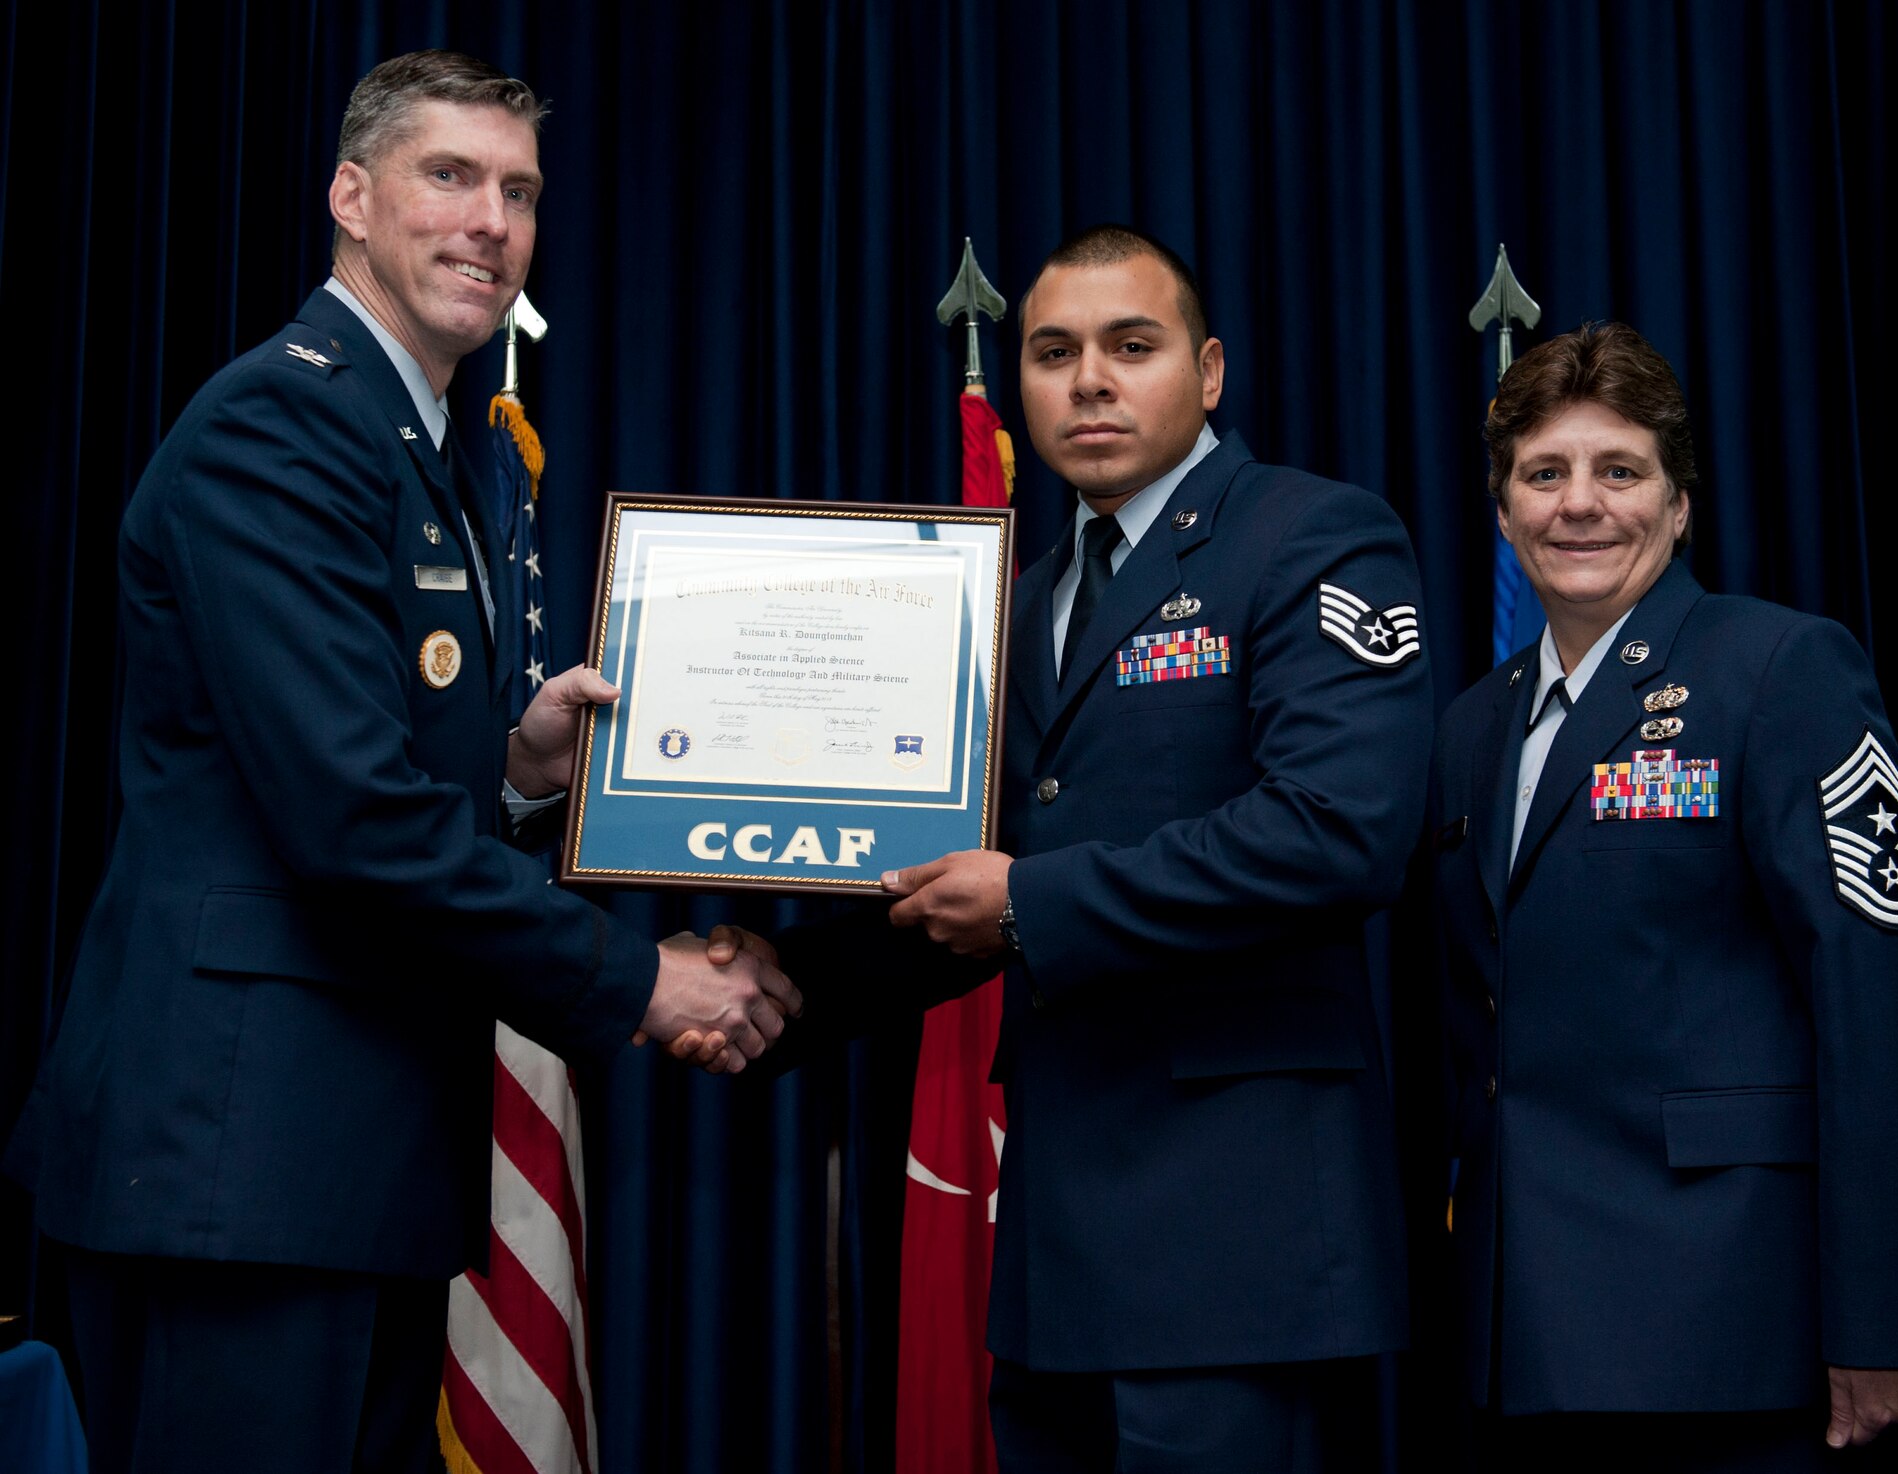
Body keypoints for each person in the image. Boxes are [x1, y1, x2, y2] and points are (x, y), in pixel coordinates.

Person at [15, 51, 796, 1472]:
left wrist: (517, 765)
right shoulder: (283, 422)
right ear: (351, 196)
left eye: (520, 192)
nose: (489, 222)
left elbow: (380, 776)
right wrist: (642, 980)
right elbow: (353, 819)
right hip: (236, 1165)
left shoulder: (434, 450)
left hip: (345, 1160)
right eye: (449, 177)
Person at [882, 225, 1433, 1472]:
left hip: (1238, 1237)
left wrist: (1029, 902)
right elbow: (959, 873)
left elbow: (1336, 832)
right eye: (1053, 351)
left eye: (1130, 347)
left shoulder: (1313, 538)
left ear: (1211, 370)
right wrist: (769, 984)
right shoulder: (1013, 598)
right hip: (1057, 1232)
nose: (1087, 380)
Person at [1431, 321, 1898, 1468]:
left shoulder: (1777, 669)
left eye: (1618, 471)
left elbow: (1876, 1002)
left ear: (1677, 505)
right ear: (1501, 505)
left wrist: (1887, 1318)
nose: (1578, 505)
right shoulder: (1469, 725)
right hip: (1520, 1339)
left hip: (1726, 1323)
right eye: (1543, 473)